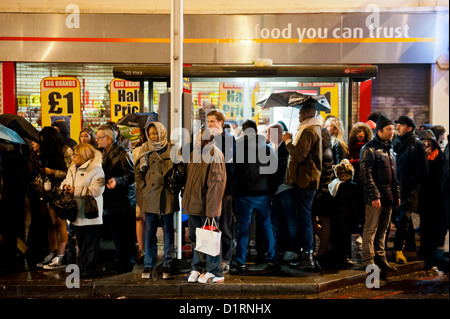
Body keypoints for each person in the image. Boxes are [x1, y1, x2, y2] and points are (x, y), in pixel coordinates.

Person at [135, 122, 183, 279]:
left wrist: (175, 182)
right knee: (150, 230)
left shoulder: (173, 148)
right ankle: (148, 265)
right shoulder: (145, 148)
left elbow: (182, 168)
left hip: (168, 194)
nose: (155, 136)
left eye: (157, 133)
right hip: (150, 194)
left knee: (169, 229)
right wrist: (144, 187)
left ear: (163, 132)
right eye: (152, 133)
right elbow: (137, 171)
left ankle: (167, 264)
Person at [231, 120, 278, 271]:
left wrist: (235, 190)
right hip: (263, 193)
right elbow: (275, 171)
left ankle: (241, 260)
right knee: (266, 225)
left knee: (243, 228)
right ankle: (272, 257)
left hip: (244, 194)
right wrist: (271, 190)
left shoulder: (237, 148)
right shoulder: (267, 148)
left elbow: (233, 172)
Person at [183, 128, 227, 284]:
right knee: (197, 239)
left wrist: (212, 210)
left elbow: (216, 185)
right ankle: (198, 268)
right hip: (195, 205)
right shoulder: (196, 153)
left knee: (210, 239)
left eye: (200, 138)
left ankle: (215, 271)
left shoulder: (216, 155)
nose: (197, 140)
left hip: (207, 207)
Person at [282, 103, 323, 269]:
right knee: (304, 217)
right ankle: (307, 254)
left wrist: (288, 141)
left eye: (300, 114)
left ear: (305, 114)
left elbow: (299, 156)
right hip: (306, 180)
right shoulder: (313, 129)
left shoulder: (308, 131)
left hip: (306, 181)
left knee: (305, 218)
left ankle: (308, 256)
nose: (298, 116)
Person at [360, 113, 399, 274]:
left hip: (388, 197)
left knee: (383, 230)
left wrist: (396, 195)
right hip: (375, 198)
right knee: (371, 230)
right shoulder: (369, 149)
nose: (392, 132)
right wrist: (374, 195)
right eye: (389, 129)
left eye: (393, 129)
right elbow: (366, 174)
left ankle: (381, 258)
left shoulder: (389, 148)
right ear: (380, 131)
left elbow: (395, 175)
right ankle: (369, 261)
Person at [96, 124, 136, 274]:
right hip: (109, 199)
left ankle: (127, 263)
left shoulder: (123, 153)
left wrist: (117, 181)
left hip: (123, 201)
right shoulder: (100, 154)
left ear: (109, 138)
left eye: (100, 138)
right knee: (116, 235)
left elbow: (131, 175)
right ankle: (119, 261)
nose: (97, 140)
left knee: (126, 234)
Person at [60, 143, 105, 278]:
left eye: (76, 154)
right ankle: (81, 266)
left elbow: (97, 190)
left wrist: (75, 191)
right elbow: (65, 182)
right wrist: (65, 187)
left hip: (90, 212)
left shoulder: (96, 169)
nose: (73, 157)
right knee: (81, 242)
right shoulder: (72, 168)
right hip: (75, 212)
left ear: (84, 156)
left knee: (91, 243)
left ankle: (89, 269)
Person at [392, 115, 428, 263]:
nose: (397, 127)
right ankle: (411, 248)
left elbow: (423, 170)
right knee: (398, 217)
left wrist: (409, 182)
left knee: (404, 218)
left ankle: (397, 249)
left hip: (410, 188)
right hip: (396, 187)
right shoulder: (395, 142)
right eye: (397, 124)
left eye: (401, 124)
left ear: (409, 128)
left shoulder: (417, 145)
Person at [36, 126, 73, 269]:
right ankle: (52, 252)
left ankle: (61, 255)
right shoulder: (44, 152)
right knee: (50, 223)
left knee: (59, 223)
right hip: (47, 190)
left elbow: (70, 173)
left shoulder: (65, 151)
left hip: (61, 191)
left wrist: (53, 172)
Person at [206, 109, 236, 273]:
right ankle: (212, 258)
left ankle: (225, 258)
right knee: (211, 225)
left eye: (213, 121)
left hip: (224, 190)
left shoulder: (228, 139)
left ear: (221, 123)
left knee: (224, 225)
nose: (210, 124)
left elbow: (230, 167)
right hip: (209, 190)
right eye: (208, 121)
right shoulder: (206, 139)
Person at [267, 123, 297, 261]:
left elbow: (278, 171)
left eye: (269, 133)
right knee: (280, 221)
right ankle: (284, 248)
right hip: (280, 190)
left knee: (289, 220)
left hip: (284, 189)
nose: (267, 136)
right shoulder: (275, 148)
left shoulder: (284, 149)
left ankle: (292, 249)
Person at [327, 159, 360, 268]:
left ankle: (337, 257)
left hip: (335, 216)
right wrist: (359, 218)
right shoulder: (352, 186)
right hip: (347, 217)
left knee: (337, 236)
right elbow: (355, 204)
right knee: (346, 238)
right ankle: (345, 257)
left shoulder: (333, 185)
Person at [418, 130, 445, 260]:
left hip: (436, 193)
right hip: (423, 192)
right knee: (424, 222)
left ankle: (432, 248)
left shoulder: (439, 155)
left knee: (434, 222)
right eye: (424, 141)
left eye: (429, 141)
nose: (427, 144)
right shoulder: (418, 155)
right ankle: (424, 248)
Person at [312, 126, 335, 259]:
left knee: (318, 221)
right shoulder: (328, 150)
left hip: (320, 190)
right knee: (322, 220)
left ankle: (323, 248)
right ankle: (327, 246)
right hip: (325, 190)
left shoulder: (320, 153)